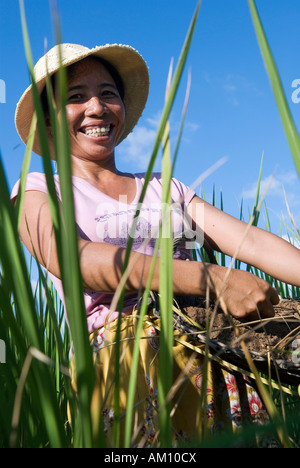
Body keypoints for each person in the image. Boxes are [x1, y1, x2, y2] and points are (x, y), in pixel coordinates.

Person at [11, 43, 300, 447]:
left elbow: (249, 241)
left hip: (211, 346)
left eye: (107, 93)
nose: (96, 107)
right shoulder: (39, 189)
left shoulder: (165, 189)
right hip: (128, 360)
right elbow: (73, 260)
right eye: (76, 97)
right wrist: (210, 278)